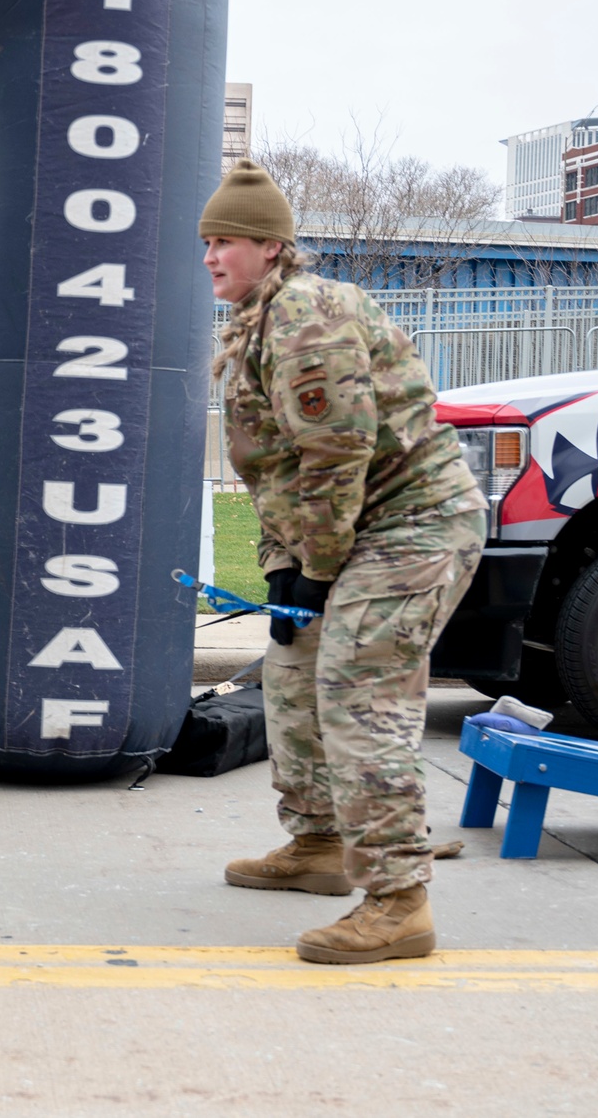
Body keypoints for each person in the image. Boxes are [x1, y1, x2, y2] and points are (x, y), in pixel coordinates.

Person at [201, 159, 485, 964]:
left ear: (268, 246)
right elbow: (279, 469)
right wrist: (285, 563)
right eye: (208, 242)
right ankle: (321, 843)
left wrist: (317, 567)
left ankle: (399, 899)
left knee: (358, 689)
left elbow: (335, 449)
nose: (213, 256)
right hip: (352, 532)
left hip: (413, 527)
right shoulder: (260, 318)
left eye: (226, 241)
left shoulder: (304, 315)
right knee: (291, 673)